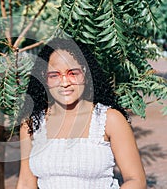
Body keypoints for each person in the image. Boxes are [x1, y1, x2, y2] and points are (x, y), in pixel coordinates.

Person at [16, 38, 146, 189]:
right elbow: (26, 182)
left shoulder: (109, 119)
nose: (64, 82)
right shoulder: (32, 123)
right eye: (55, 75)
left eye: (72, 73)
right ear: (45, 78)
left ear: (85, 73)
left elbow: (136, 180)